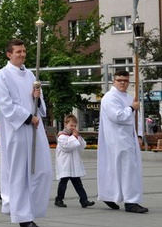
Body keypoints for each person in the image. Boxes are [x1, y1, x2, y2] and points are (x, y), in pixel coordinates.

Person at [0, 39, 52, 227]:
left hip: (34, 128)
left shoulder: (30, 74)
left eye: (24, 51)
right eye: (18, 51)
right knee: (20, 173)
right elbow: (3, 103)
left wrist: (37, 96)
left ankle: (32, 210)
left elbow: (37, 104)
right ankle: (23, 217)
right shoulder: (2, 75)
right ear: (9, 54)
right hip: (17, 131)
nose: (22, 54)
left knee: (41, 170)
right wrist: (27, 117)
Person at [97, 70, 148, 213]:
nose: (122, 83)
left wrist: (138, 135)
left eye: (125, 81)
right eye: (119, 80)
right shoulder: (109, 97)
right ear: (114, 81)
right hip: (116, 138)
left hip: (128, 137)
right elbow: (117, 116)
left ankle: (111, 195)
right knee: (126, 169)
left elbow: (136, 118)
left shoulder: (129, 97)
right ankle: (131, 201)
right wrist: (132, 108)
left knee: (123, 169)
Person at [54, 114, 94, 208]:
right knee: (63, 183)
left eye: (75, 126)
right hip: (65, 164)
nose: (73, 128)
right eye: (71, 125)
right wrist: (74, 137)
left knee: (78, 184)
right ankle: (59, 199)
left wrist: (77, 137)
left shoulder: (74, 135)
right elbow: (66, 147)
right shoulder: (61, 136)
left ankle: (84, 200)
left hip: (74, 165)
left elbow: (82, 146)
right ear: (65, 124)